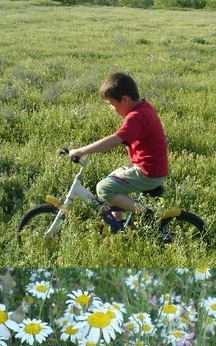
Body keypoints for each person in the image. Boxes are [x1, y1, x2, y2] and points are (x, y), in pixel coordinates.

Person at [67, 72, 168, 229]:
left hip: (147, 172)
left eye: (112, 104)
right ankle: (118, 225)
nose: (111, 108)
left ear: (125, 100)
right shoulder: (144, 107)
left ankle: (144, 212)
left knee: (103, 188)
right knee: (112, 179)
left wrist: (80, 151)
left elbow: (115, 139)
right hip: (150, 167)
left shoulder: (136, 117)